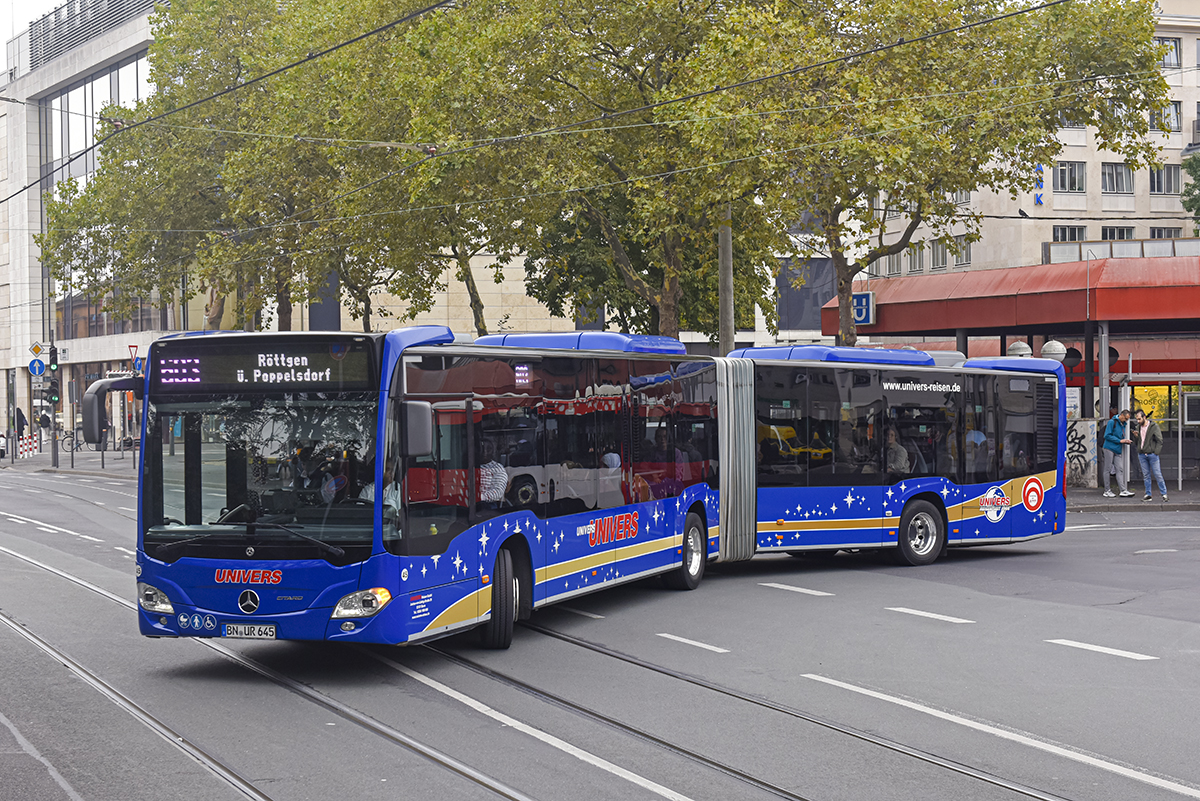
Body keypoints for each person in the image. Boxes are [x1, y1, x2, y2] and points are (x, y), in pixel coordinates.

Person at [1133, 409, 1168, 502]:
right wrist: (1136, 436)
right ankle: (1148, 494)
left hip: (1152, 454)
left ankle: (1164, 494)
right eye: (1137, 419)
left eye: (1139, 419)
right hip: (1142, 454)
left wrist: (1156, 452)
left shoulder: (1153, 426)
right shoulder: (1138, 427)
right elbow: (1137, 442)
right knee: (1146, 475)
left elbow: (1159, 440)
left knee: (1157, 474)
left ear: (1144, 417)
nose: (1138, 421)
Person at [1101, 409, 1135, 498]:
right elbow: (1107, 435)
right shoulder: (1112, 422)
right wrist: (1120, 440)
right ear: (1122, 415)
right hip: (1109, 448)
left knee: (1119, 469)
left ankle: (1123, 490)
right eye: (1126, 418)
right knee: (1107, 469)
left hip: (1117, 448)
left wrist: (1124, 440)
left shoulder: (1122, 424)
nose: (1126, 421)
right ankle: (1107, 490)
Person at [477, 440, 508, 507]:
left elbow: (498, 491)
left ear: (493, 452)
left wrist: (480, 497)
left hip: (488, 505)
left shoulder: (497, 468)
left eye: (488, 449)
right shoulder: (470, 465)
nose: (485, 452)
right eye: (482, 449)